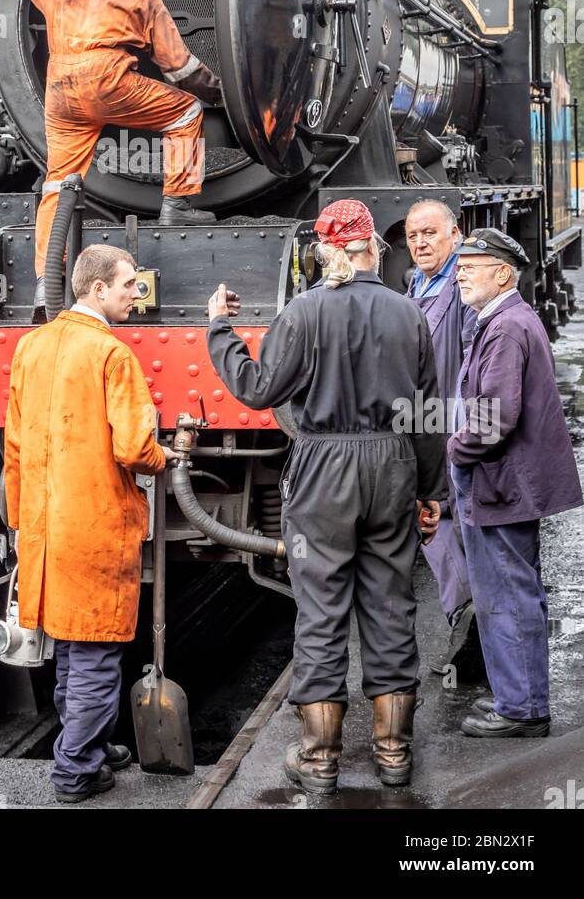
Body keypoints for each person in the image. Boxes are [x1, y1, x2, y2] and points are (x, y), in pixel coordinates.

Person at [205, 199, 447, 793]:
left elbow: (258, 388)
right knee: (391, 605)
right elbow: (426, 413)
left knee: (320, 611)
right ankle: (394, 754)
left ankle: (319, 762)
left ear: (325, 251)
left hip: (322, 472)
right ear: (371, 247)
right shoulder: (408, 313)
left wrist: (220, 331)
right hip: (390, 465)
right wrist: (430, 489)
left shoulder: (303, 313)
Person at [3, 243, 175, 802]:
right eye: (128, 284)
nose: (136, 292)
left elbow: (11, 447)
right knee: (98, 655)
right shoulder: (111, 354)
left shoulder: (29, 346)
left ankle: (90, 746)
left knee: (72, 651)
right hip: (96, 526)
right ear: (98, 289)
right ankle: (76, 770)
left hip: (45, 530)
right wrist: (164, 457)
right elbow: (132, 447)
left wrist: (18, 521)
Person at [0, 0, 222, 311]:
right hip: (108, 81)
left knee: (57, 182)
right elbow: (178, 67)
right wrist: (224, 93)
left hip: (61, 90)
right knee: (186, 110)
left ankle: (44, 280)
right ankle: (177, 208)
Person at [449, 228, 583, 738]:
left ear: (502, 273)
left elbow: (494, 418)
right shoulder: (507, 319)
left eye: (473, 264)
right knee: (514, 588)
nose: (460, 271)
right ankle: (518, 698)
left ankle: (523, 709)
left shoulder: (504, 328)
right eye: (460, 263)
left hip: (500, 483)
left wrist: (453, 449)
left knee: (506, 593)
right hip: (508, 481)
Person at [405, 199, 481, 676]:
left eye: (430, 233)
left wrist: (464, 428)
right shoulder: (419, 281)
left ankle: (472, 630)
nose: (420, 244)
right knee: (439, 522)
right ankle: (469, 631)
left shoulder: (462, 284)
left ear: (455, 232)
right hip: (424, 420)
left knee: (444, 521)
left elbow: (475, 363)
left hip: (447, 423)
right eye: (413, 236)